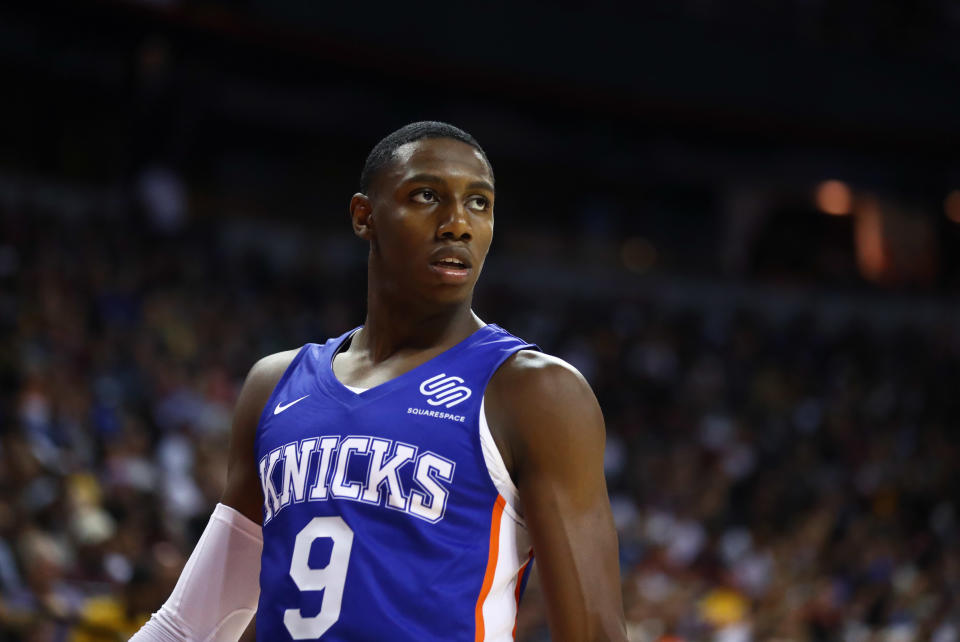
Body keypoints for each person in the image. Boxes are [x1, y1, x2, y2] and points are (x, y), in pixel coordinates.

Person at [131, 121, 626, 641]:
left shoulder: (533, 391)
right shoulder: (274, 385)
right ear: (364, 216)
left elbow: (594, 633)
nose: (457, 223)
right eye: (427, 196)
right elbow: (191, 624)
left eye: (479, 203)